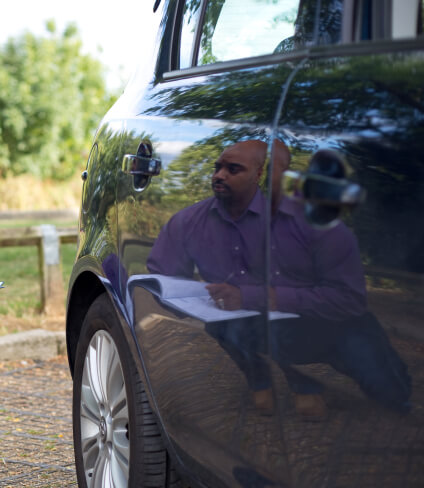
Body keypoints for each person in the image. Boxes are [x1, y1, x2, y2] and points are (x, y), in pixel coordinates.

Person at [147, 140, 411, 417]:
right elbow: (162, 273)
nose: (219, 175)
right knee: (223, 325)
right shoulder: (189, 221)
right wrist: (186, 297)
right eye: (218, 167)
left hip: (329, 324)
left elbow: (349, 299)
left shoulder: (311, 222)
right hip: (253, 326)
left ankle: (310, 381)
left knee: (394, 398)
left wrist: (253, 297)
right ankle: (263, 382)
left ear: (259, 175)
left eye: (233, 169)